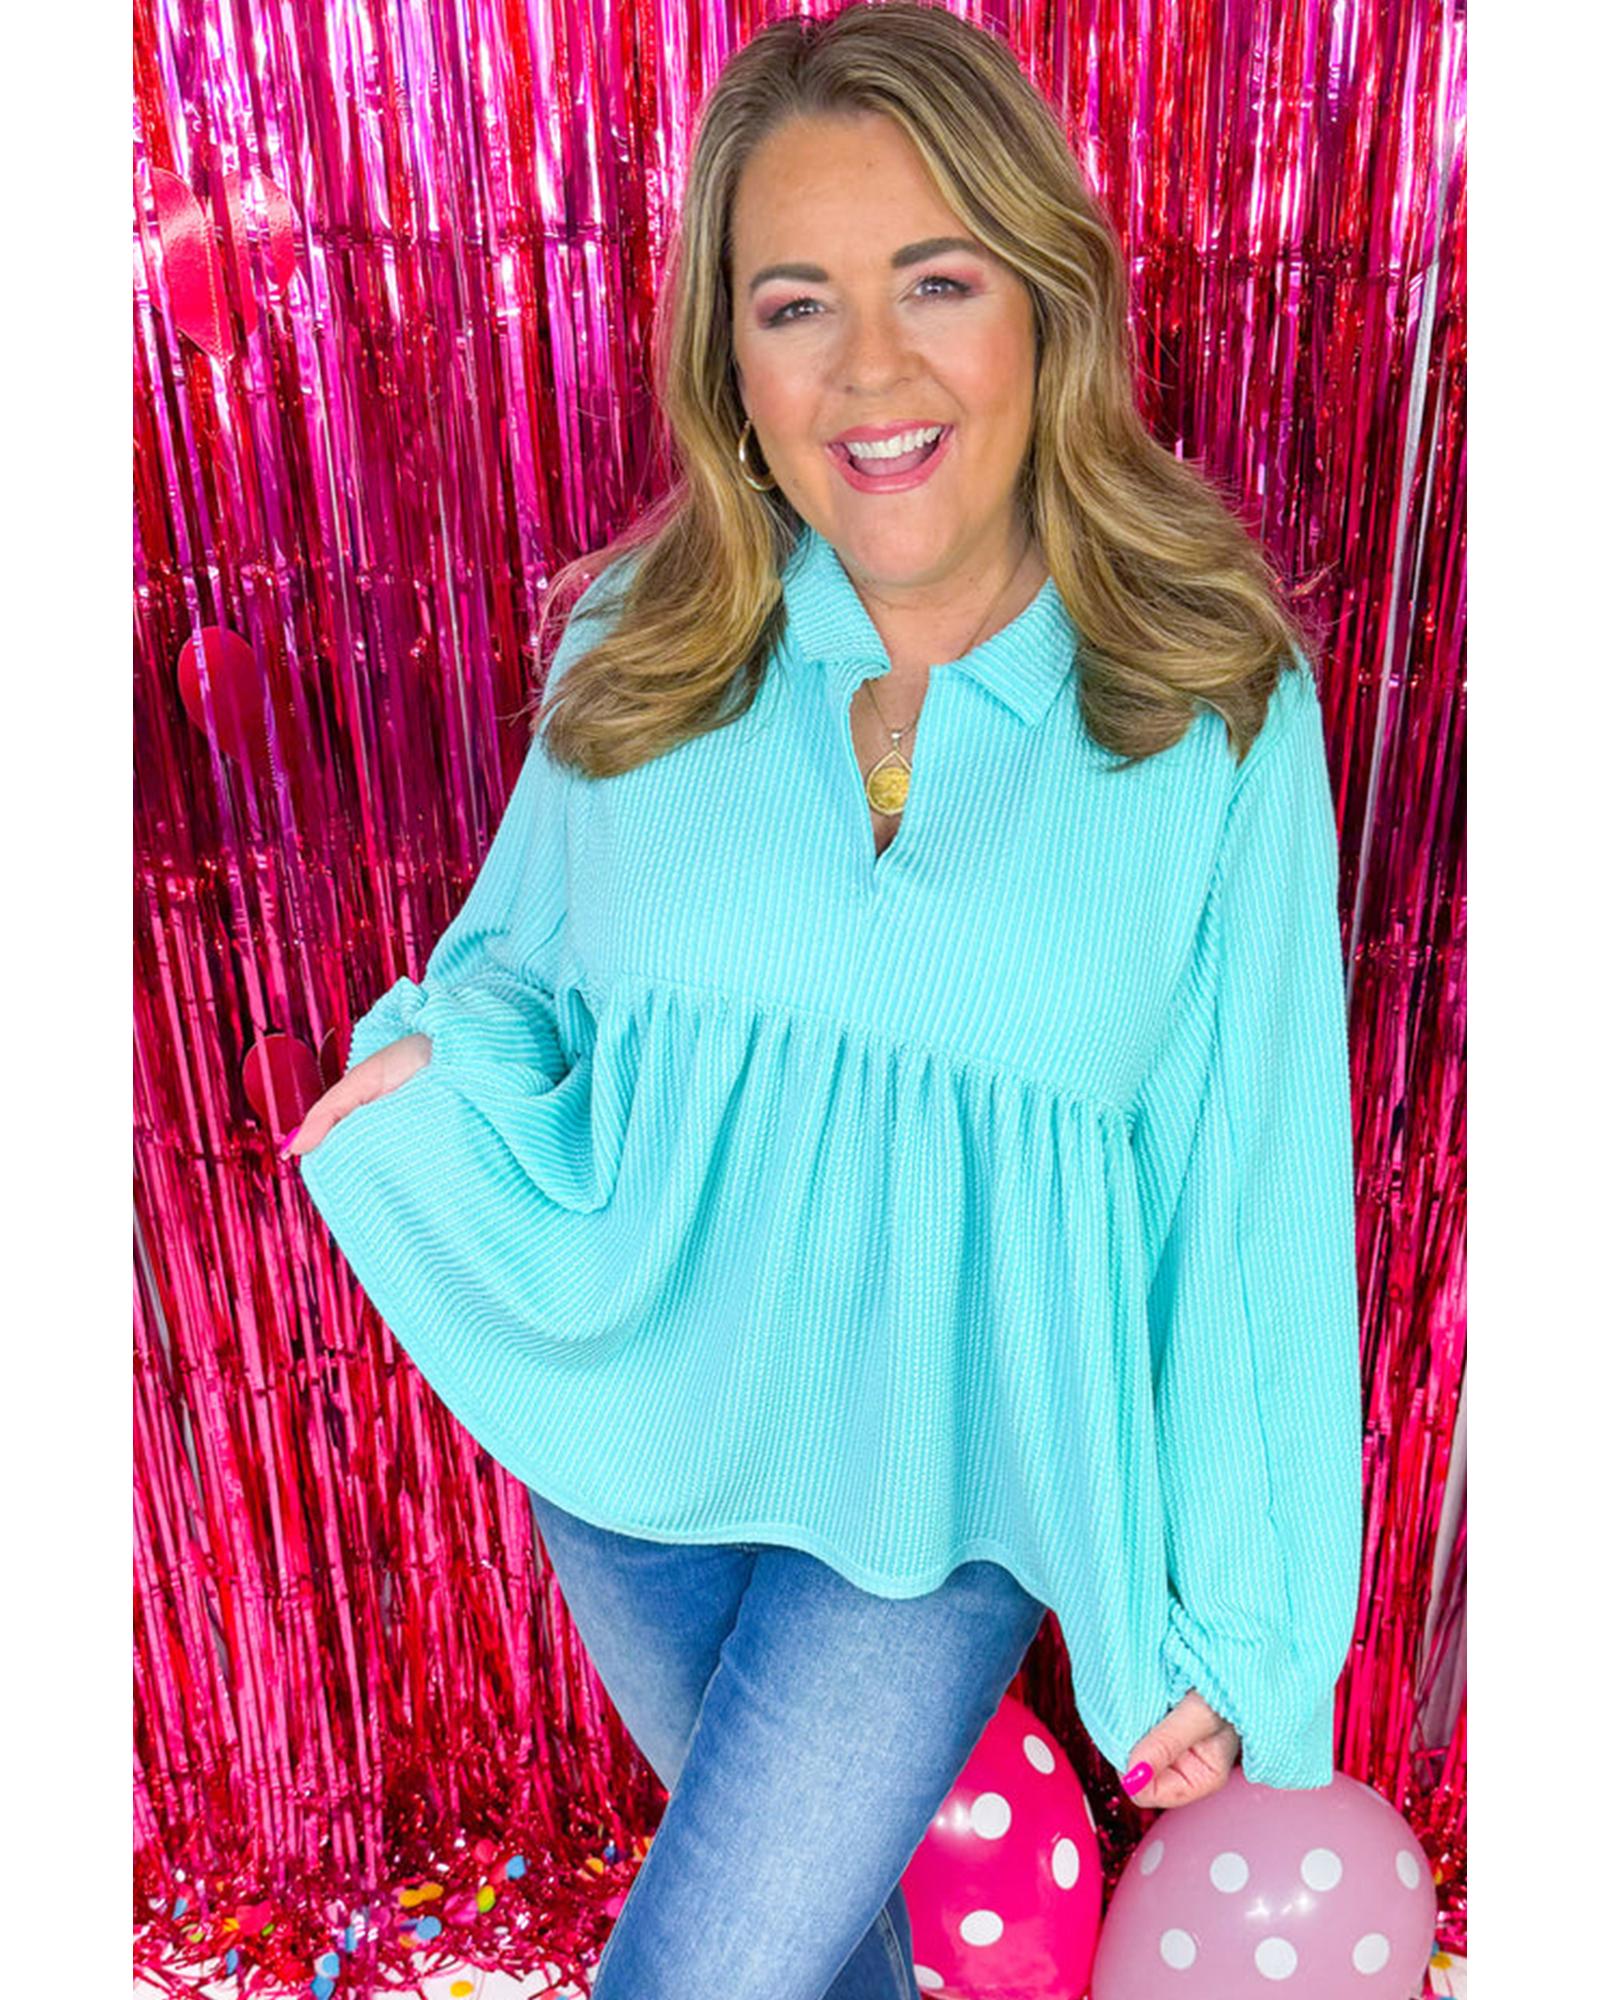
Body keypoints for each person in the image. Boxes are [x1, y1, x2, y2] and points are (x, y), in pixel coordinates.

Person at [284, 6, 1365, 1994]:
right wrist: (441, 1063)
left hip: (946, 1488)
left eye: (935, 281)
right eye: (795, 305)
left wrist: (1244, 1625)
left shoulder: (1208, 696)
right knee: (816, 1961)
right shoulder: (646, 641)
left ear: (1042, 299)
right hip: (633, 1422)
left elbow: (1250, 1195)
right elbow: (522, 967)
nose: (870, 368)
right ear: (732, 361)